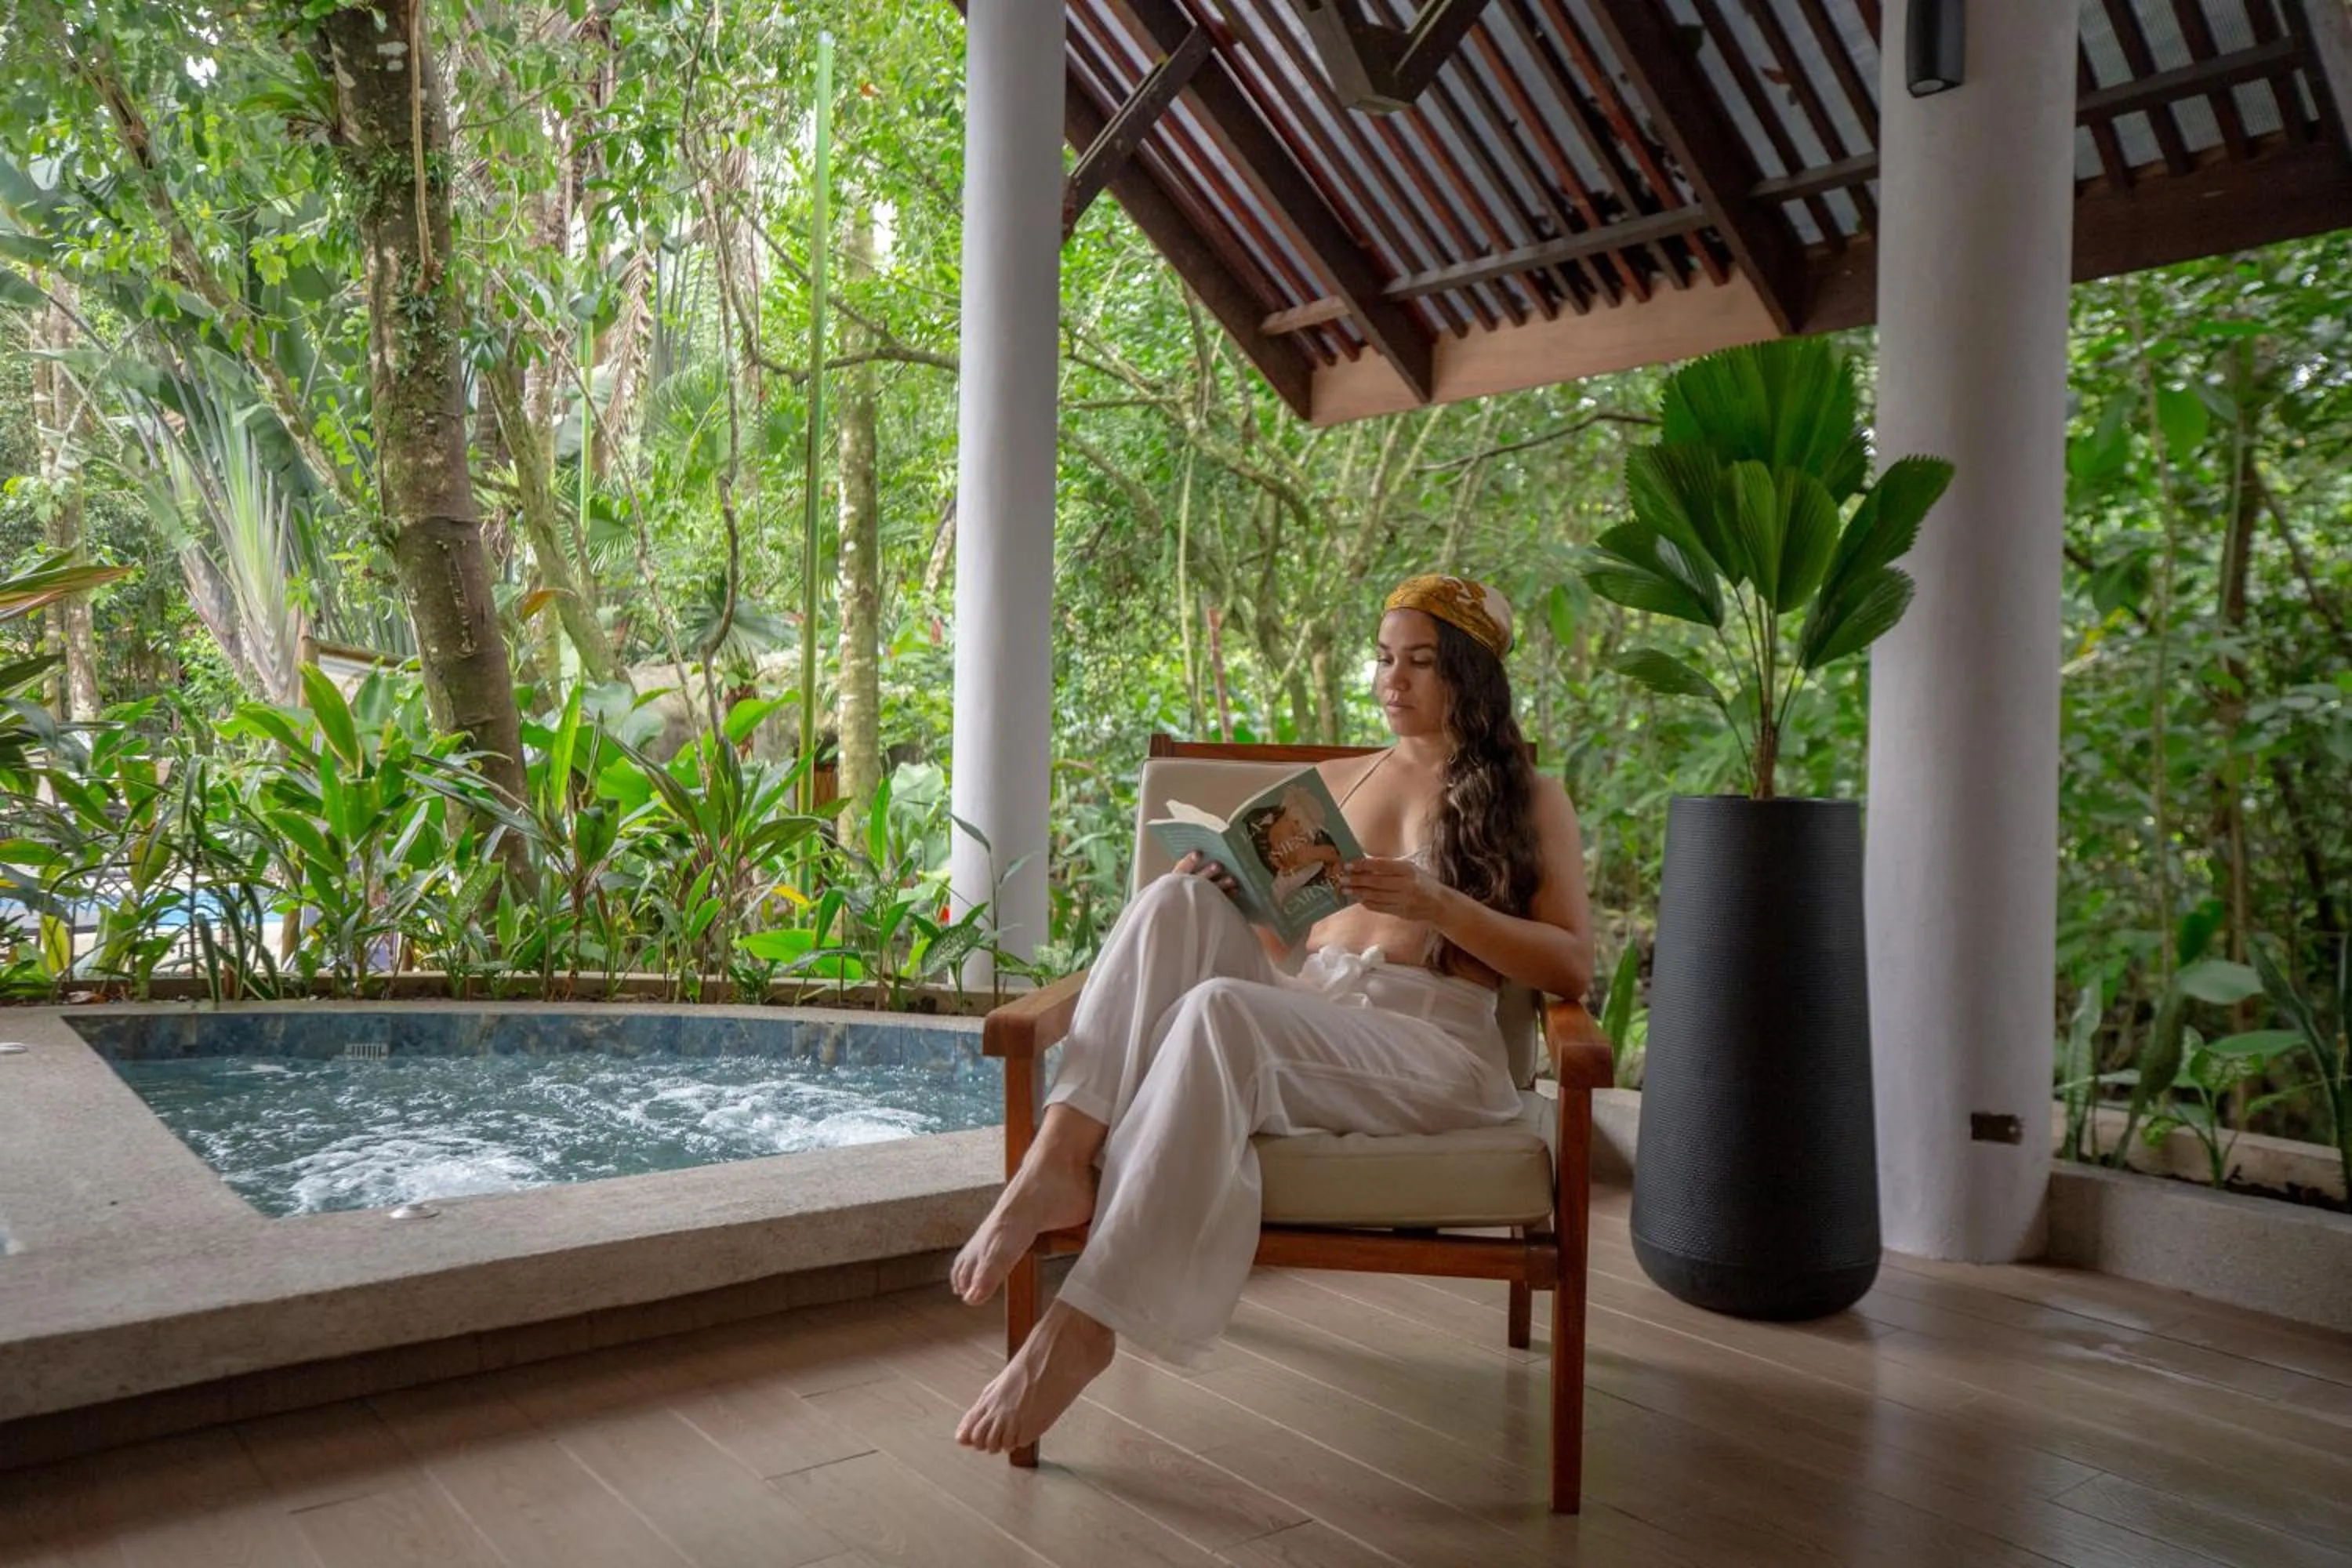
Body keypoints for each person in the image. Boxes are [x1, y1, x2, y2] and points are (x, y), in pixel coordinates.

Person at [950, 572, 1595, 1454]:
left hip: (1433, 1045)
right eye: (1383, 659)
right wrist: (1223, 886)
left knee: (1222, 1014)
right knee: (1169, 905)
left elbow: (1571, 965)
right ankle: (1057, 1160)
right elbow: (1286, 942)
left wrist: (1437, 905)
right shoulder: (1336, 781)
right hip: (1318, 1006)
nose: (1392, 681)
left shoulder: (1528, 797)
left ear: (1471, 675)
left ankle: (1088, 1320)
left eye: (1420, 662)